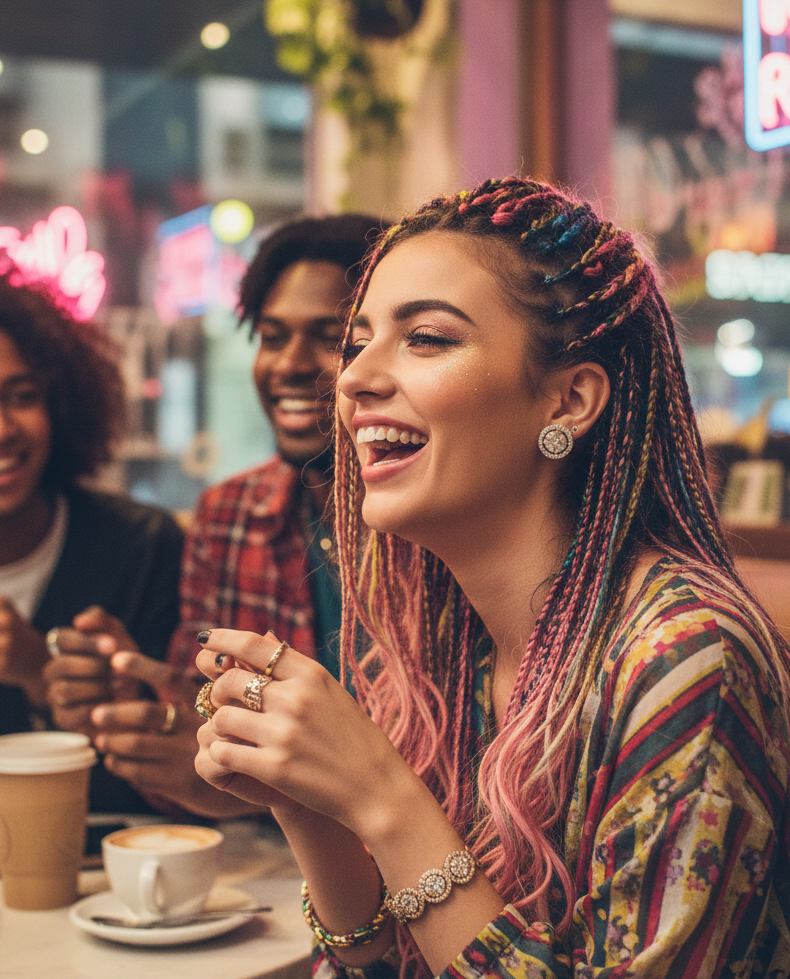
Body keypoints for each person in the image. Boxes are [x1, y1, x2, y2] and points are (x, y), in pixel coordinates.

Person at [192, 178, 790, 979]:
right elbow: (382, 963)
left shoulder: (684, 659)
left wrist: (383, 797)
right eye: (359, 341)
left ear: (569, 400)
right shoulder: (438, 641)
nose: (353, 378)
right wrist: (306, 802)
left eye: (426, 338)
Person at [46, 214, 383, 817]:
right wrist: (144, 710)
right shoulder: (229, 517)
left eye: (330, 338)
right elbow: (199, 741)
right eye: (272, 337)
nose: (289, 363)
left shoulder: (437, 524)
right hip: (276, 862)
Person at [0, 273, 183, 812]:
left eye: (21, 396)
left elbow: (170, 785)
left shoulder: (140, 548)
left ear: (61, 405)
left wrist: (42, 673)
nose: (3, 429)